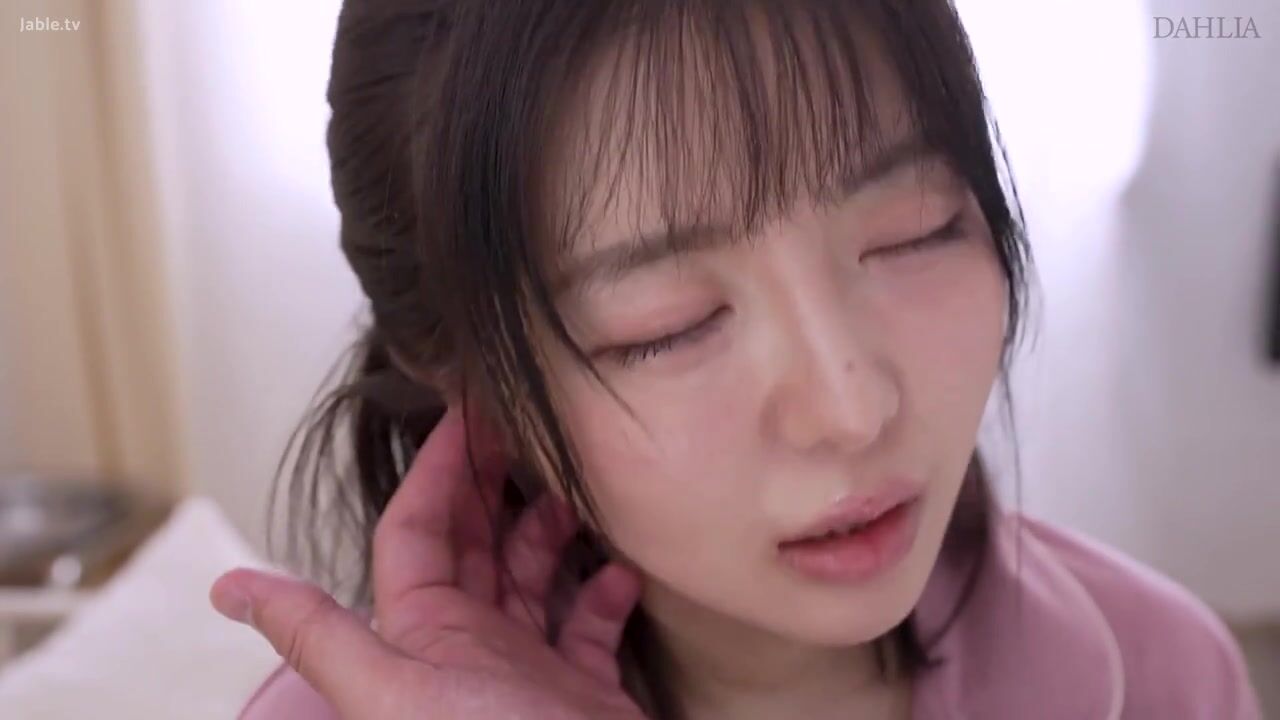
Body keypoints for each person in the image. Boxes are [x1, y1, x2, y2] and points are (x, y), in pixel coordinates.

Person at [209, 0, 1263, 717]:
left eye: (914, 230)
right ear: (469, 384)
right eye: (666, 325)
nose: (849, 408)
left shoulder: (1168, 675)